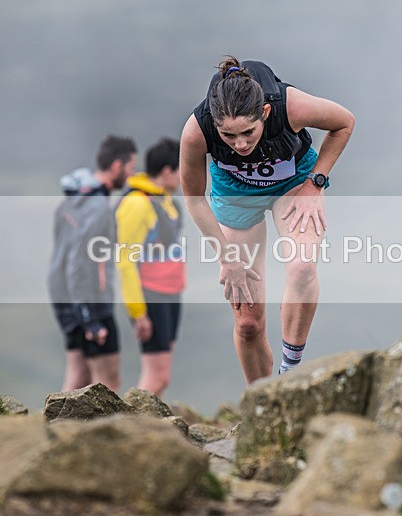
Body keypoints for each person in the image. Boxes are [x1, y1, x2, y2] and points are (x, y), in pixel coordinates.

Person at [179, 56, 354, 384]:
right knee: (247, 324)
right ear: (214, 124)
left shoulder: (291, 106)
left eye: (248, 131)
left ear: (265, 114)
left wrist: (315, 184)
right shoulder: (196, 132)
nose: (240, 144)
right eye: (228, 137)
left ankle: (290, 374)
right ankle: (260, 398)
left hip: (294, 182)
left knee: (302, 267)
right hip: (235, 193)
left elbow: (344, 123)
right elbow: (193, 198)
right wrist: (226, 256)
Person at [47, 135, 138, 393]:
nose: (132, 175)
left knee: (79, 376)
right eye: (131, 167)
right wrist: (90, 318)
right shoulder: (98, 209)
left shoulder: (73, 200)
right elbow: (82, 262)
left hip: (63, 294)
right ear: (118, 166)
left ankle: (48, 431)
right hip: (90, 300)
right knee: (108, 384)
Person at [116, 138, 186, 398]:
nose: (183, 175)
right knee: (156, 377)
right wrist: (138, 312)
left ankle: (147, 427)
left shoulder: (165, 200)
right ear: (167, 171)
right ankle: (132, 430)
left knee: (161, 376)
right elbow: (125, 260)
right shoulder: (137, 204)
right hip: (150, 296)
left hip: (169, 292)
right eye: (180, 169)